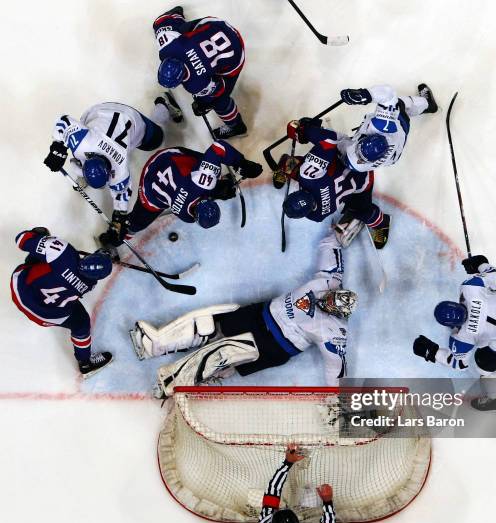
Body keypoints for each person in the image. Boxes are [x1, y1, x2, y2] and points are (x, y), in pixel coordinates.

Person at [129, 228, 356, 397]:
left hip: (273, 345)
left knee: (225, 354)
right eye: (329, 297)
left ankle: (172, 383)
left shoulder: (333, 332)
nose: (324, 300)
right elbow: (331, 244)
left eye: (329, 305)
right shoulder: (329, 279)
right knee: (208, 324)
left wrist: (339, 402)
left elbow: (336, 370)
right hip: (259, 314)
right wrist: (345, 227)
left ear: (336, 313)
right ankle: (154, 344)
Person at [412, 255, 496, 410]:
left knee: (483, 364)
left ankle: (495, 398)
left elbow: (459, 363)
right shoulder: (470, 288)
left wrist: (432, 352)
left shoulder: (463, 338)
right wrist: (481, 265)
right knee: (490, 292)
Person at [43, 95, 183, 224]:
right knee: (78, 154)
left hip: (128, 117)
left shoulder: (120, 168)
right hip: (99, 114)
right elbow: (63, 122)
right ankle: (84, 173)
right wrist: (58, 148)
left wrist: (119, 217)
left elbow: (122, 195)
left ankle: (163, 105)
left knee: (156, 140)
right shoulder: (83, 141)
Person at [97, 141, 262, 249]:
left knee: (138, 222)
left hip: (164, 163)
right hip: (151, 187)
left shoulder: (202, 184)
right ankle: (124, 230)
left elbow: (218, 148)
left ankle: (121, 232)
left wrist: (241, 162)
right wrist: (220, 188)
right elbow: (203, 193)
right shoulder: (187, 215)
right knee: (137, 223)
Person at [10, 228, 113, 378]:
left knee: (43, 237)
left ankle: (41, 239)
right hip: (45, 315)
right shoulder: (90, 283)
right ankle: (85, 363)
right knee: (81, 323)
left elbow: (21, 239)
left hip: (19, 288)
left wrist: (41, 238)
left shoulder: (63, 252)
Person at [276, 117, 390, 249]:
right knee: (363, 211)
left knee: (290, 166)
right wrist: (304, 131)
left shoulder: (317, 216)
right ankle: (382, 223)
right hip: (361, 173)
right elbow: (329, 141)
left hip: (354, 172)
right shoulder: (308, 177)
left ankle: (283, 169)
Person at [153, 5, 247, 139]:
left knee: (219, 100)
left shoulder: (195, 84)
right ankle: (177, 15)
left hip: (236, 55)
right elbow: (160, 22)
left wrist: (204, 103)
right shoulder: (167, 49)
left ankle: (236, 126)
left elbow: (218, 90)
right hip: (219, 27)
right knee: (170, 27)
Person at [338, 83, 438, 172]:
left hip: (393, 156)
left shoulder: (357, 164)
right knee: (399, 103)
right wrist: (364, 95)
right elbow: (389, 95)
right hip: (400, 131)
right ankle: (428, 104)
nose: (356, 155)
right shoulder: (382, 125)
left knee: (393, 108)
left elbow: (348, 154)